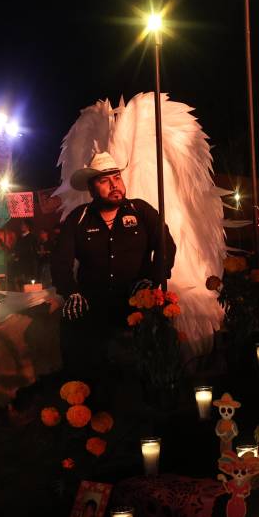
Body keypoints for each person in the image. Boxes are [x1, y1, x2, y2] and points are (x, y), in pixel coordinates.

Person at [51, 151, 176, 376]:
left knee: (145, 365)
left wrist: (152, 281)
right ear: (91, 189)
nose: (114, 184)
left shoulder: (140, 210)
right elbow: (60, 261)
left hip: (136, 304)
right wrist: (71, 292)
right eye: (104, 181)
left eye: (117, 177)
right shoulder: (78, 218)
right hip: (93, 307)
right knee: (85, 359)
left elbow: (167, 246)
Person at [11, 221, 39, 289]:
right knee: (21, 280)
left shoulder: (32, 237)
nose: (22, 227)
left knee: (29, 281)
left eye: (23, 225)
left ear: (28, 226)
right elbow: (16, 248)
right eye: (21, 225)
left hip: (30, 262)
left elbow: (35, 250)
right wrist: (15, 255)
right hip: (21, 262)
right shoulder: (19, 238)